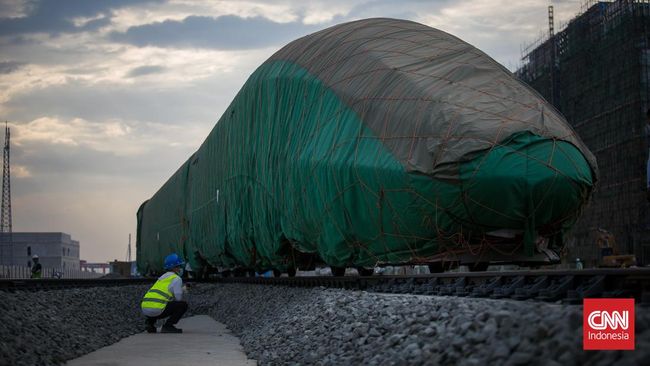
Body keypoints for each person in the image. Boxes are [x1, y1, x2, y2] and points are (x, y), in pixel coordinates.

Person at [140, 253, 188, 333]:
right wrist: (183, 290)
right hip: (156, 310)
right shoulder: (176, 278)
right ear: (174, 268)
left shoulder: (161, 278)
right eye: (179, 266)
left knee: (157, 303)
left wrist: (181, 289)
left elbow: (164, 291)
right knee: (183, 305)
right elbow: (178, 298)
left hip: (145, 308)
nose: (180, 268)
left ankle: (150, 323)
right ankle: (168, 326)